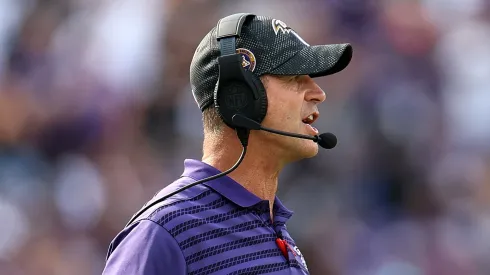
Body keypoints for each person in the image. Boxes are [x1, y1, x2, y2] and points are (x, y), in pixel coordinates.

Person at [102, 13, 352, 275]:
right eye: (293, 77)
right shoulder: (165, 232)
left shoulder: (272, 228)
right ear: (240, 96)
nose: (318, 93)